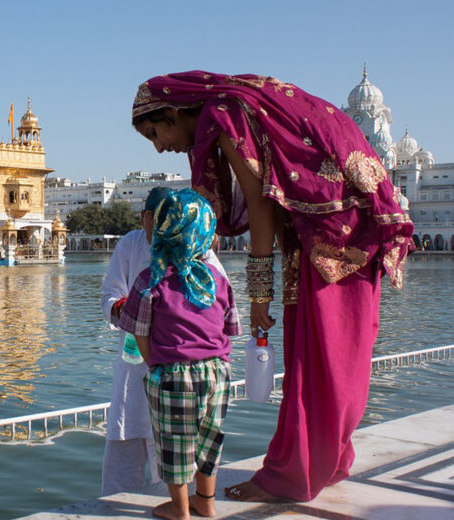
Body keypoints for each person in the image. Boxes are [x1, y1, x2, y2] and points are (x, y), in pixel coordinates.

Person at [131, 71, 414, 502]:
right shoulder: (244, 103)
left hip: (328, 237)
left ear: (174, 111)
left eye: (156, 131)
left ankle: (290, 476)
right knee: (340, 359)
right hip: (350, 229)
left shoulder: (222, 114)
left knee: (316, 358)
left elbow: (261, 205)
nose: (159, 146)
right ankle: (328, 461)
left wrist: (259, 294)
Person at [100, 186, 233, 496]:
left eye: (162, 218)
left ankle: (180, 505)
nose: (155, 225)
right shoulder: (130, 245)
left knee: (178, 449)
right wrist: (125, 310)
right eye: (151, 217)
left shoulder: (199, 250)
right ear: (144, 217)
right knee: (128, 440)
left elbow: (221, 306)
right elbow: (109, 296)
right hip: (138, 367)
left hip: (179, 370)